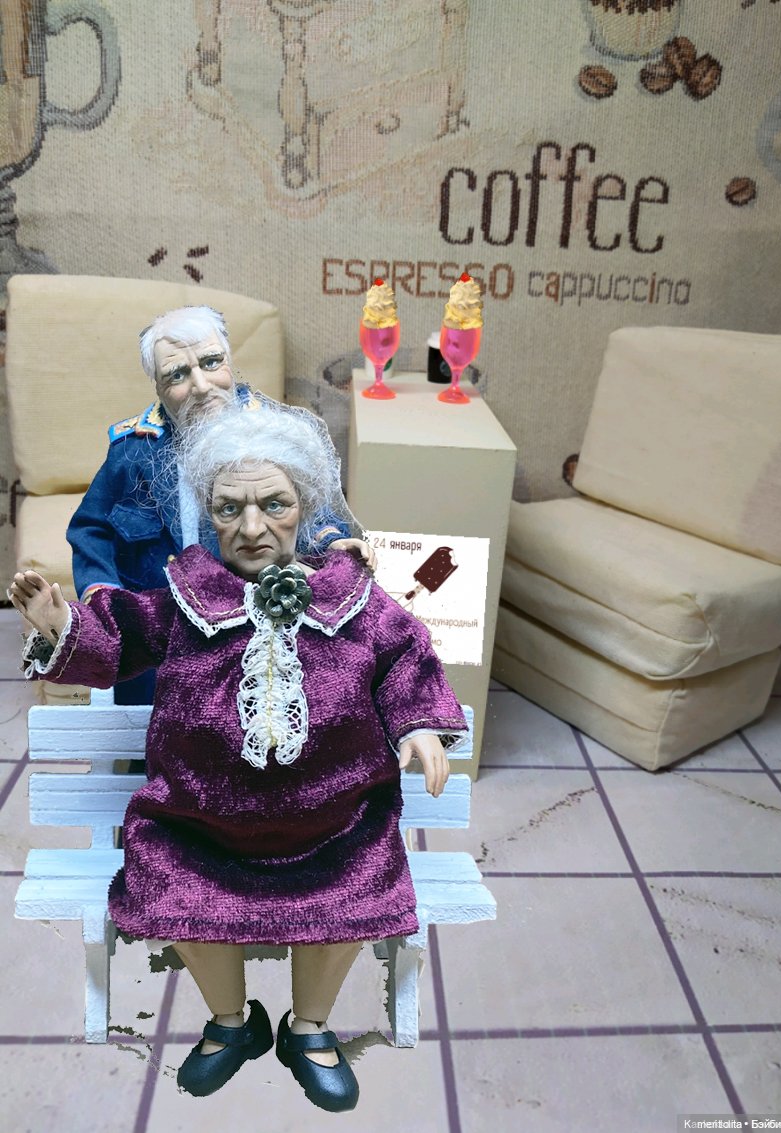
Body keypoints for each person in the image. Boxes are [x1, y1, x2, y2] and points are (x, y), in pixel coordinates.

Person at [10, 402, 466, 1112]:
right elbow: (122, 636)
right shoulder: (185, 599)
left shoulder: (354, 599)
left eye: (273, 504)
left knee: (351, 888)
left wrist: (420, 724)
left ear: (304, 507)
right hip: (198, 829)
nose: (252, 528)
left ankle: (309, 1028)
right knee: (175, 885)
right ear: (209, 512)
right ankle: (231, 1022)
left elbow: (406, 652)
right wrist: (62, 625)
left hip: (335, 828)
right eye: (230, 508)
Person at [67, 305, 374, 704]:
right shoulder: (132, 451)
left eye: (211, 363)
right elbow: (91, 529)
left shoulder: (272, 432)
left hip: (254, 626)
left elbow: (313, 507)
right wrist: (104, 596)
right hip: (160, 639)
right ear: (158, 388)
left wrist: (332, 543)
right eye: (177, 375)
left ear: (230, 361)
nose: (200, 385)